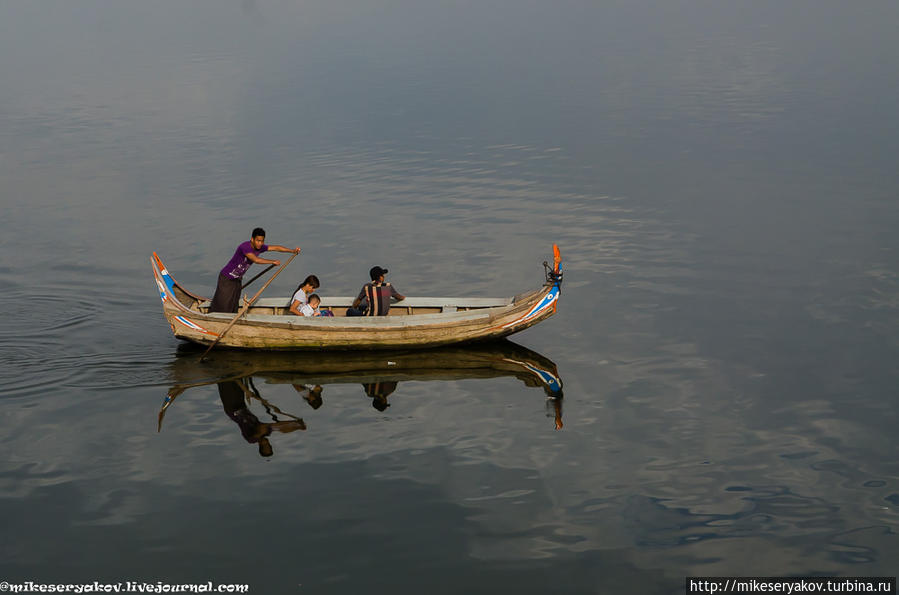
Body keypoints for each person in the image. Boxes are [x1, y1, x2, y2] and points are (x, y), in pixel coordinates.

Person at [209, 227, 301, 313]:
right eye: (258, 241)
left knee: (233, 304)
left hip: (237, 279)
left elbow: (276, 248)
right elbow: (256, 260)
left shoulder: (260, 248)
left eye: (262, 241)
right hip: (226, 278)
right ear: (252, 239)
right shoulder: (245, 247)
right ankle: (213, 317)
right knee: (223, 304)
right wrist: (272, 262)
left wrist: (292, 251)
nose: (260, 243)